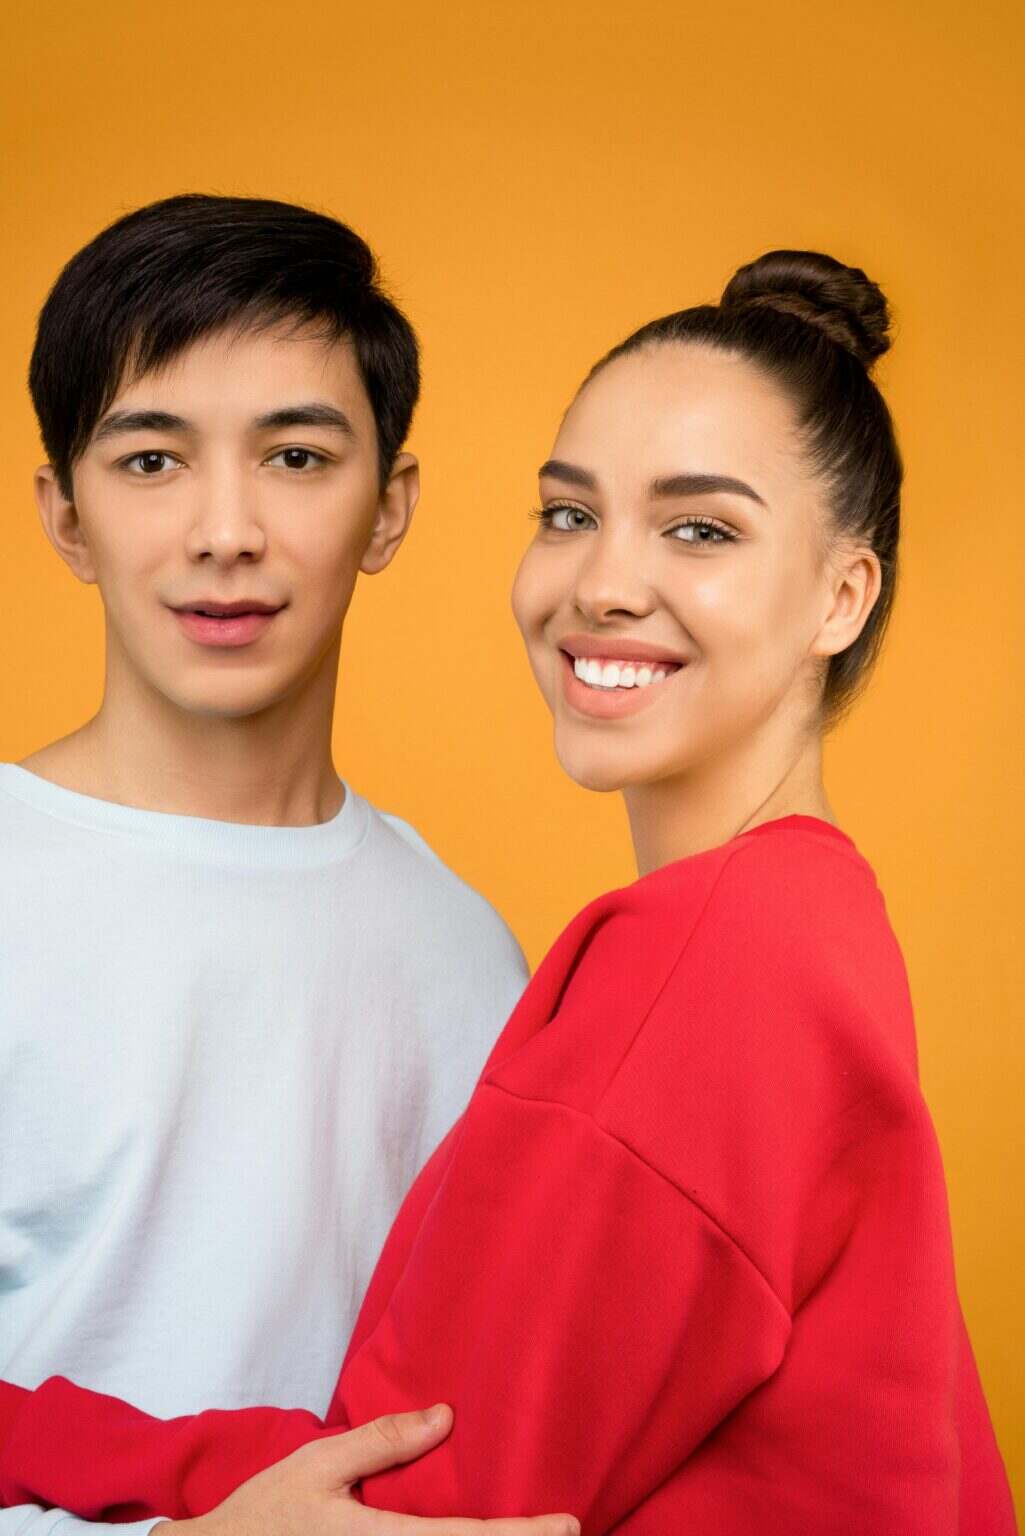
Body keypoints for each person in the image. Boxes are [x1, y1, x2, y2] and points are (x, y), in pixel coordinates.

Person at [0, 250, 1016, 1534]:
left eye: (699, 528)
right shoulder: (796, 928)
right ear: (64, 508)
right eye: (568, 513)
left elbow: (410, 1507)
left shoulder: (678, 964)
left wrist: (38, 1440)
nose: (600, 582)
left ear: (840, 594)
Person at [0, 193, 579, 1536]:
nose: (226, 532)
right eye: (150, 461)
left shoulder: (465, 952)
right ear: (65, 516)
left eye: (298, 457)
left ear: (391, 508)